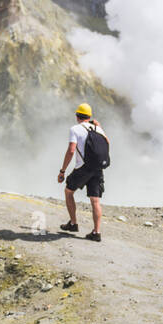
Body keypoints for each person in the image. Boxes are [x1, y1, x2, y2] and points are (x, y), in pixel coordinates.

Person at [57, 103, 108, 242]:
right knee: (95, 200)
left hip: (83, 167)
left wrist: (62, 171)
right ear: (89, 116)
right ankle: (96, 232)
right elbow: (107, 143)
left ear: (77, 116)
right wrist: (100, 127)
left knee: (68, 192)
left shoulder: (75, 129)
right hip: (98, 168)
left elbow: (71, 150)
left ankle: (73, 224)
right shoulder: (98, 129)